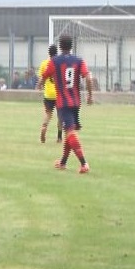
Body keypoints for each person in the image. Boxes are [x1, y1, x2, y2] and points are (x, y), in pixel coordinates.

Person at [37, 35, 93, 174]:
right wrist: (90, 95)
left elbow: (43, 77)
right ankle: (62, 162)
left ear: (60, 46)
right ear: (71, 46)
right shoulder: (79, 60)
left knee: (70, 132)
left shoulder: (54, 61)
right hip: (75, 102)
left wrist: (39, 85)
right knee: (69, 131)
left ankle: (84, 163)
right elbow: (88, 77)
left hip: (63, 102)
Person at [38, 44, 62, 144]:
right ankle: (59, 137)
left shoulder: (44, 64)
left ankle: (44, 126)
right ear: (57, 53)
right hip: (59, 93)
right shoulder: (60, 64)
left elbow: (41, 78)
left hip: (48, 94)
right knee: (61, 115)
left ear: (49, 53)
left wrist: (40, 86)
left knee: (48, 114)